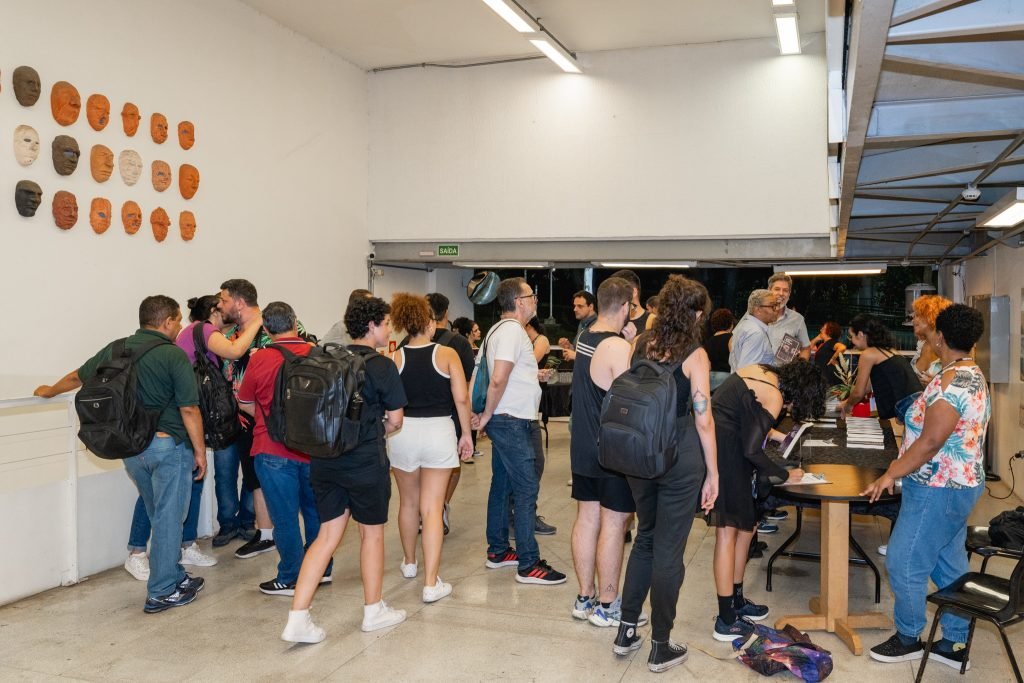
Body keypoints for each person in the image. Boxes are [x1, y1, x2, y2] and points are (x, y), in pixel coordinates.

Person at [34, 296, 207, 613]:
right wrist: (200, 451)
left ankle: (174, 574)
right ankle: (162, 590)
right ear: (166, 321)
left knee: (159, 514)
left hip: (131, 448)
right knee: (170, 517)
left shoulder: (117, 348)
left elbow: (78, 376)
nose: (180, 325)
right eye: (177, 320)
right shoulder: (173, 356)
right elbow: (189, 409)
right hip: (168, 446)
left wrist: (49, 390)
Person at [862, 304, 990, 671]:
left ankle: (908, 637)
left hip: (938, 486)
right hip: (954, 484)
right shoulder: (964, 371)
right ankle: (953, 641)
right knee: (947, 562)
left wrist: (890, 473)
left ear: (941, 337)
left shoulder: (955, 382)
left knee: (904, 562)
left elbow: (931, 441)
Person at [281, 296, 407, 643]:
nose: (389, 329)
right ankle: (373, 610)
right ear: (371, 326)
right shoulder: (381, 367)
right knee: (372, 534)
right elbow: (395, 420)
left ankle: (298, 617)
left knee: (325, 537)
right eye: (385, 323)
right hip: (365, 463)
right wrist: (372, 430)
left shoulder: (324, 357)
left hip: (324, 461)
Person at [612, 275, 719, 673]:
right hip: (679, 457)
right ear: (694, 313)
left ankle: (625, 631)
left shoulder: (639, 343)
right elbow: (704, 420)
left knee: (645, 539)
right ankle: (660, 644)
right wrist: (714, 474)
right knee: (669, 551)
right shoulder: (695, 354)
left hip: (639, 456)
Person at [123, 294, 260, 580]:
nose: (227, 307)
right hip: (174, 425)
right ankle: (139, 553)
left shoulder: (192, 335)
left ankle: (185, 545)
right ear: (213, 311)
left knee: (186, 486)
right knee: (158, 493)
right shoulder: (204, 331)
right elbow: (235, 352)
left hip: (182, 422)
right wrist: (257, 321)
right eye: (222, 303)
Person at [707, 360, 826, 641]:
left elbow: (745, 418)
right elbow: (751, 449)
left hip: (723, 443)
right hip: (725, 452)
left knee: (745, 529)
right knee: (728, 532)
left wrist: (775, 436)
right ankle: (725, 619)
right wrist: (784, 475)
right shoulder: (775, 394)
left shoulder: (764, 372)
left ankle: (736, 600)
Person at [472, 277, 567, 585]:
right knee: (526, 490)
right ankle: (529, 564)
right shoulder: (513, 331)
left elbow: (502, 373)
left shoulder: (497, 331)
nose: (535, 300)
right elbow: (497, 379)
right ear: (519, 301)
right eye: (532, 296)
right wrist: (486, 414)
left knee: (502, 485)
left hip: (506, 417)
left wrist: (532, 372)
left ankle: (498, 551)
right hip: (511, 420)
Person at [569, 277, 644, 627]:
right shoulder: (617, 348)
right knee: (614, 524)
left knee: (587, 519)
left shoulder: (586, 336)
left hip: (582, 445)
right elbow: (635, 396)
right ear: (627, 306)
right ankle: (609, 605)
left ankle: (585, 597)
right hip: (611, 452)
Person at [388, 293, 473, 603]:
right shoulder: (447, 354)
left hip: (403, 434)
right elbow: (462, 398)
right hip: (439, 431)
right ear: (427, 321)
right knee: (432, 508)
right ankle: (430, 582)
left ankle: (410, 563)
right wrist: (466, 434)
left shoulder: (394, 357)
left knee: (408, 503)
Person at [237, 302, 326, 596]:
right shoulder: (317, 353)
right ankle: (321, 569)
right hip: (314, 448)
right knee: (316, 512)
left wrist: (267, 417)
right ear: (295, 322)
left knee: (285, 516)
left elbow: (244, 401)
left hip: (272, 447)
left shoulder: (260, 359)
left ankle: (290, 577)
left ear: (265, 329)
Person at [213, 279, 276, 557]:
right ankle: (265, 534)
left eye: (224, 300)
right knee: (253, 478)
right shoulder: (232, 337)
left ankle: (273, 533)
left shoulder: (276, 327)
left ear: (239, 302)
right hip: (239, 419)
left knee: (269, 477)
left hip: (268, 417)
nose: (220, 305)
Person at [838, 314, 922, 422]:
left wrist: (848, 405)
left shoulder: (868, 354)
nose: (851, 341)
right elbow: (867, 388)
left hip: (907, 409)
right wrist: (846, 402)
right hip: (916, 406)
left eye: (851, 336)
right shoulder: (889, 351)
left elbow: (859, 392)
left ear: (860, 334)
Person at [729, 289, 781, 372]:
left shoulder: (745, 326)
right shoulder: (756, 333)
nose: (777, 309)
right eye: (773, 306)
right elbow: (747, 372)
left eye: (777, 305)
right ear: (758, 310)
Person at [909, 295, 953, 384]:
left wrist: (935, 384)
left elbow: (958, 383)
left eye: (917, 315)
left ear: (931, 316)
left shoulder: (948, 346)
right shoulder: (921, 344)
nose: (913, 321)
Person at [766, 273, 811, 362]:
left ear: (789, 294)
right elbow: (734, 341)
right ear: (769, 291)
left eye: (785, 290)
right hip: (757, 373)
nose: (781, 293)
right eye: (777, 289)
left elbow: (806, 348)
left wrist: (799, 371)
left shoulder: (797, 319)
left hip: (783, 374)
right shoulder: (756, 313)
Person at [610, 270, 652, 340]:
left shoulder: (652, 321)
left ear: (633, 292)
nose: (613, 296)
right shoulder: (612, 319)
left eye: (618, 292)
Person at [558, 290, 597, 362]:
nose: (575, 309)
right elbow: (579, 351)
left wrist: (575, 355)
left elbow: (598, 357)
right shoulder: (582, 323)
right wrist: (569, 346)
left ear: (591, 306)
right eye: (575, 306)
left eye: (580, 306)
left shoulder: (597, 326)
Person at [704, 308, 735, 392]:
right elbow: (735, 361)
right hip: (726, 381)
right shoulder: (731, 339)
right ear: (731, 324)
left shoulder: (708, 342)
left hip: (710, 380)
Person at [809, 321, 846, 388]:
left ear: (829, 331)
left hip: (830, 379)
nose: (820, 330)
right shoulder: (823, 344)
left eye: (823, 328)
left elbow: (842, 347)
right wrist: (817, 338)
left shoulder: (831, 342)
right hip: (823, 379)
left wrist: (833, 359)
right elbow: (809, 347)